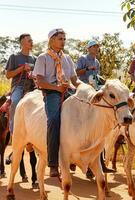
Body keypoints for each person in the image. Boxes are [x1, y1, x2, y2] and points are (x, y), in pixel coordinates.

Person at [33, 28, 82, 177]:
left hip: (68, 90)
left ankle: (85, 157)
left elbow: (75, 80)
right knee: (54, 120)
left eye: (64, 39)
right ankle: (53, 163)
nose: (63, 41)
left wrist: (86, 88)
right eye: (60, 38)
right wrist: (56, 88)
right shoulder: (43, 58)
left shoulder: (67, 58)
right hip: (52, 92)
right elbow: (40, 81)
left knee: (86, 115)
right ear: (51, 40)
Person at [76, 40, 114, 174]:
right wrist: (87, 69)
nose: (97, 48)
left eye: (98, 46)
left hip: (95, 91)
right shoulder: (82, 59)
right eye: (95, 46)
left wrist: (102, 80)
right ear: (89, 48)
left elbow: (96, 78)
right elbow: (76, 74)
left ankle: (99, 163)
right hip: (83, 92)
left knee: (99, 126)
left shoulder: (97, 62)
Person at [5, 34, 37, 185]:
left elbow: (37, 76)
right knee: (16, 102)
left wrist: (32, 74)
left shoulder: (35, 59)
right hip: (18, 87)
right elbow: (8, 75)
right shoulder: (14, 57)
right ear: (22, 43)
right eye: (29, 40)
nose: (32, 41)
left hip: (32, 87)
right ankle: (14, 133)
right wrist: (21, 69)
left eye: (31, 40)